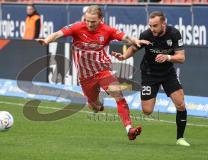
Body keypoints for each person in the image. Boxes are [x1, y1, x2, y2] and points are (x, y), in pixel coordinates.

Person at [36, 5, 150, 140]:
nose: (89, 24)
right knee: (95, 106)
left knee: (119, 96)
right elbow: (57, 34)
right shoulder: (77, 27)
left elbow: (125, 37)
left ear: (101, 19)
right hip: (85, 78)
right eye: (87, 20)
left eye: (93, 21)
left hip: (103, 71)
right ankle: (97, 104)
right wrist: (46, 40)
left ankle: (129, 129)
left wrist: (135, 41)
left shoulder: (107, 30)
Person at [112, 11, 190, 146]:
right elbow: (134, 48)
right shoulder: (146, 34)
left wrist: (168, 57)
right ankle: (154, 94)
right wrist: (123, 57)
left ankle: (180, 138)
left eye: (155, 26)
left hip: (167, 74)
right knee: (147, 111)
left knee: (181, 104)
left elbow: (181, 57)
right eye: (150, 25)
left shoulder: (174, 34)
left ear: (163, 24)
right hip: (149, 74)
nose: (152, 29)